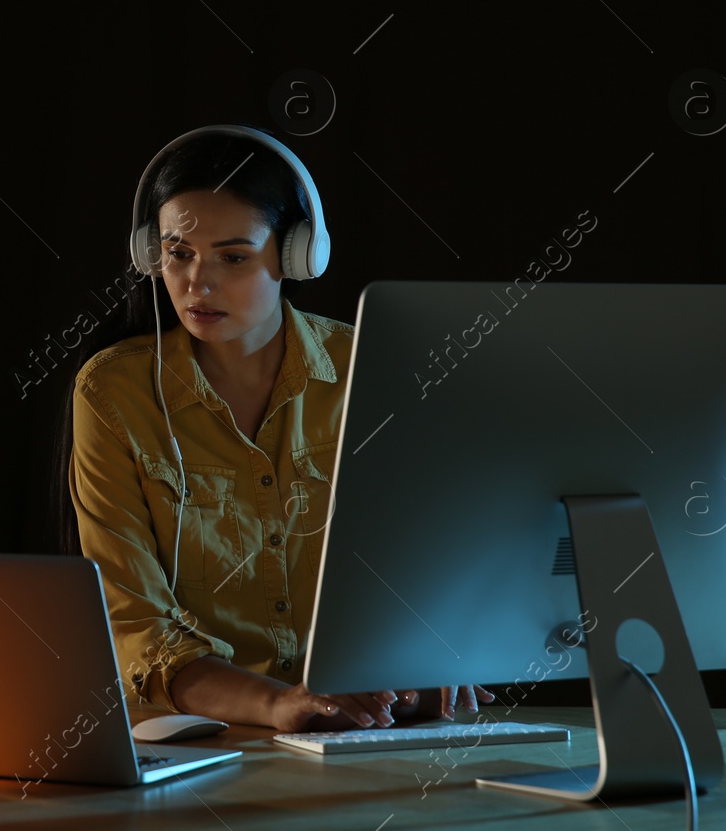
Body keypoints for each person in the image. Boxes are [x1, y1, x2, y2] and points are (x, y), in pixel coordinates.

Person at [56, 126, 495, 732]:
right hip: (203, 737)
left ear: (297, 255)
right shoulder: (112, 393)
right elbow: (133, 624)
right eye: (178, 254)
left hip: (371, 726)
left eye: (233, 257)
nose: (196, 284)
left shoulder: (371, 370)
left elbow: (433, 569)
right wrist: (276, 704)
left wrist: (431, 654)